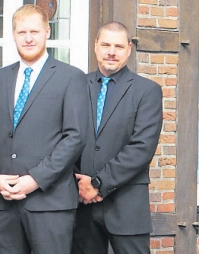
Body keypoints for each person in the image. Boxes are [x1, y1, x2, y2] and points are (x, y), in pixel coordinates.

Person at [0, 4, 88, 254]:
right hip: (3, 204)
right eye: (22, 32)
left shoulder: (71, 77)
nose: (28, 38)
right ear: (13, 35)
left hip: (50, 203)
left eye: (34, 31)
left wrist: (35, 179)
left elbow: (75, 138)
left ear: (47, 32)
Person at [72, 22, 163, 254]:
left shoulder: (147, 91)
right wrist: (79, 182)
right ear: (95, 46)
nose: (111, 52)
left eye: (119, 46)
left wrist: (97, 184)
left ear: (129, 49)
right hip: (81, 205)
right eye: (106, 45)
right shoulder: (76, 86)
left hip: (127, 206)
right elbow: (65, 137)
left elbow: (141, 148)